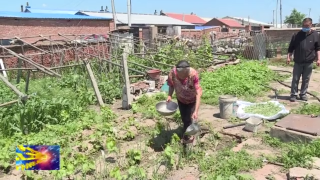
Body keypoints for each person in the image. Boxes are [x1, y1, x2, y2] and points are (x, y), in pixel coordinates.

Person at [166, 60, 202, 144]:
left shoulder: (193, 74)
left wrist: (196, 111)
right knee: (184, 118)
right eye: (181, 76)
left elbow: (198, 94)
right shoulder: (172, 73)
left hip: (192, 99)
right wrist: (169, 95)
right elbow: (171, 85)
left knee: (191, 118)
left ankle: (191, 137)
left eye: (185, 76)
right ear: (177, 73)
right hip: (181, 99)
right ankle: (186, 135)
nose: (183, 78)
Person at [287, 18, 320, 102]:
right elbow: (291, 48)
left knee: (306, 79)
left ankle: (303, 94)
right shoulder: (297, 35)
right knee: (295, 78)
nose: (305, 27)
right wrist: (288, 57)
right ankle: (293, 94)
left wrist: (318, 59)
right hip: (298, 61)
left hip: (309, 62)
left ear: (311, 25)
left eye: (307, 26)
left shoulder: (315, 35)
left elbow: (318, 48)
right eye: (304, 26)